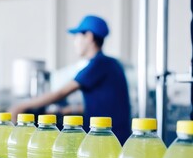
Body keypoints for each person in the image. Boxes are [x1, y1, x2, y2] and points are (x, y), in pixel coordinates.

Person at [9, 15, 131, 144]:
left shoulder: (98, 64)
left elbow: (60, 93)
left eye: (77, 37)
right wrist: (65, 110)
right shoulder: (111, 64)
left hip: (106, 140)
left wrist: (21, 106)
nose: (75, 42)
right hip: (114, 137)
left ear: (89, 37)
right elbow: (104, 105)